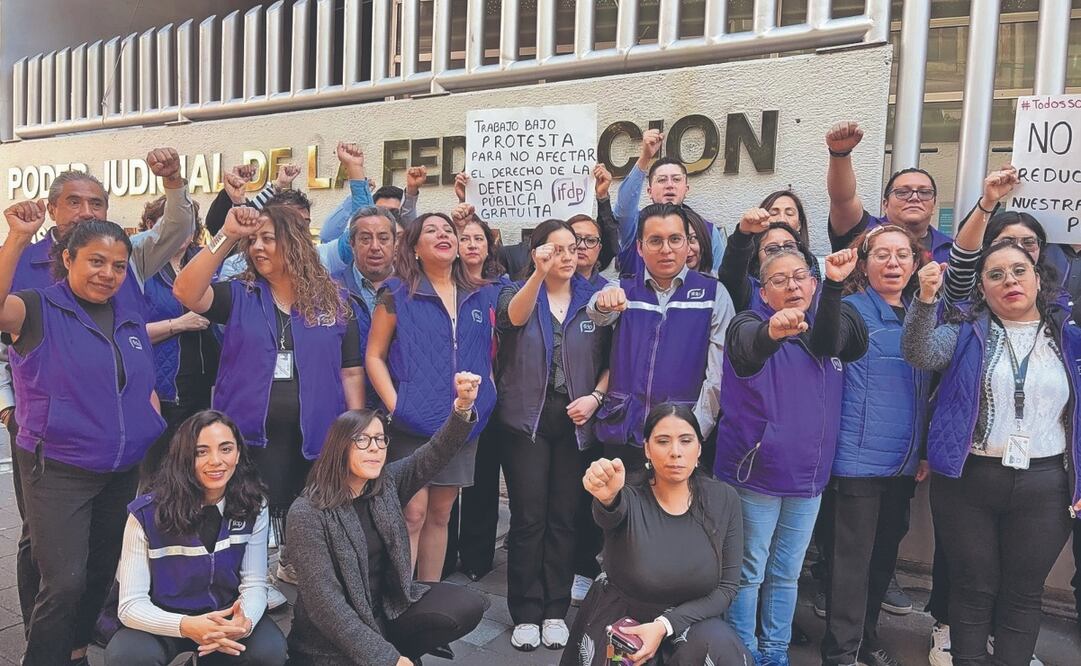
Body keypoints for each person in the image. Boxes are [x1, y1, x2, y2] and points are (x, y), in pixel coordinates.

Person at [0, 205, 167, 666]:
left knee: (97, 573)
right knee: (64, 582)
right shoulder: (37, 307)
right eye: (96, 261)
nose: (108, 274)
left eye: (117, 266)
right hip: (59, 469)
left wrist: (147, 427)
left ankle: (74, 654)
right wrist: (16, 238)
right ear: (68, 259)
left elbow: (138, 384)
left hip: (119, 469)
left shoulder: (128, 316)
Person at [902, 240, 1081, 666]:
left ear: (1039, 279)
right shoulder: (966, 333)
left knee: (1023, 594)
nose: (1010, 281)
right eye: (996, 275)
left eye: (1019, 271)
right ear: (982, 289)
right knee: (973, 588)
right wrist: (926, 301)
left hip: (1046, 485)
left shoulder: (1070, 339)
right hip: (970, 481)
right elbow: (919, 352)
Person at [173, 205, 364, 600]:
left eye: (267, 239)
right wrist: (226, 235)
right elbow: (186, 292)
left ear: (293, 243)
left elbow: (350, 370)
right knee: (246, 507)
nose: (256, 247)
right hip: (248, 434)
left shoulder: (334, 300)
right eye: (252, 240)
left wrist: (355, 429)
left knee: (306, 506)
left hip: (316, 431)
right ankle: (245, 582)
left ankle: (295, 568)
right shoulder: (240, 295)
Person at [713, 247, 868, 665]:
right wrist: (773, 333)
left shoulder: (829, 329)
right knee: (748, 573)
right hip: (756, 476)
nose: (792, 285)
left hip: (809, 481)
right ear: (764, 293)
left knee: (785, 574)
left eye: (800, 276)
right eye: (779, 280)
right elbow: (748, 345)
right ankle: (741, 651)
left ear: (814, 286)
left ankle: (775, 652)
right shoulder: (749, 322)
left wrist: (836, 285)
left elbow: (828, 341)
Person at [287, 372, 486, 666]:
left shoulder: (385, 485)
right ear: (340, 447)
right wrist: (387, 659)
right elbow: (326, 607)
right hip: (327, 643)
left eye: (380, 440)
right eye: (363, 440)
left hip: (386, 611)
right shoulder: (307, 513)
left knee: (467, 605)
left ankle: (401, 648)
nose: (375, 449)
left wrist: (462, 408)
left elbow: (433, 454)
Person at [496, 219, 612, 651]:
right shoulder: (517, 289)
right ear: (536, 251)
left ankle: (554, 610)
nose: (567, 255)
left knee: (565, 517)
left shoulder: (594, 300)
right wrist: (539, 275)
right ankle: (526, 610)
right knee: (529, 518)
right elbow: (513, 318)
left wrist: (597, 398)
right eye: (556, 248)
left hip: (576, 422)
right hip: (526, 420)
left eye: (573, 248)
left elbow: (614, 358)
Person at [819, 225, 932, 666]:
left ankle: (865, 638)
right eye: (881, 255)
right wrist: (829, 288)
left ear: (915, 263)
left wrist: (922, 451)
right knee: (850, 565)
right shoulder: (851, 311)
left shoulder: (923, 313)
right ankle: (841, 652)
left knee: (883, 561)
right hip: (858, 461)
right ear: (864, 264)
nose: (893, 263)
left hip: (903, 464)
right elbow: (827, 342)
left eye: (902, 255)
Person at [365, 212, 499, 582]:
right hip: (412, 423)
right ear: (415, 247)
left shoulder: (480, 293)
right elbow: (374, 356)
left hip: (461, 423)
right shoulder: (395, 292)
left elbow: (488, 354)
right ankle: (400, 601)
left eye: (448, 231)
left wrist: (486, 398)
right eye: (431, 230)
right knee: (412, 514)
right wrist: (398, 405)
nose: (443, 235)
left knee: (441, 514)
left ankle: (429, 599)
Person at [562, 402, 750, 665]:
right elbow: (610, 512)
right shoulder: (627, 494)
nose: (675, 452)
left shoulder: (723, 499)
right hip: (625, 624)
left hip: (690, 623)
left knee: (722, 647)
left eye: (686, 441)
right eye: (663, 441)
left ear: (699, 449)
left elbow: (727, 588)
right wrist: (606, 497)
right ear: (647, 449)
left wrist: (664, 625)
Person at [104, 410, 287, 665]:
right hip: (162, 619)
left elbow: (254, 583)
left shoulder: (254, 505)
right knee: (127, 655)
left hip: (223, 615)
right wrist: (187, 626)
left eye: (226, 449)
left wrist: (243, 623)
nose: (216, 461)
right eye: (201, 452)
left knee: (269, 651)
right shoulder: (145, 514)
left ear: (238, 455)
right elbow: (130, 605)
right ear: (183, 458)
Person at [587, 203, 735, 470]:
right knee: (621, 509)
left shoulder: (713, 294)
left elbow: (719, 375)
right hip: (624, 431)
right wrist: (602, 302)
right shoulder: (622, 289)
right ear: (640, 248)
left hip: (681, 436)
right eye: (655, 241)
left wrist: (694, 431)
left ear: (689, 245)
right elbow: (597, 312)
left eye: (675, 239)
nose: (666, 249)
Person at [139, 197, 221, 471]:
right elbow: (128, 334)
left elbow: (230, 232)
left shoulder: (203, 260)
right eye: (173, 224)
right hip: (164, 390)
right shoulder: (141, 269)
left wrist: (275, 187)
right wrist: (178, 323)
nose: (182, 235)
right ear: (151, 225)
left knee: (199, 468)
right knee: (162, 470)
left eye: (188, 226)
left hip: (206, 384)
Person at [825, 121, 952, 263]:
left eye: (925, 192)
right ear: (885, 204)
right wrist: (840, 154)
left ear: (934, 205)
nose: (915, 197)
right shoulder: (865, 231)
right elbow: (843, 200)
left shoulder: (950, 249)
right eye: (903, 192)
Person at [613, 129, 727, 275]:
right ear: (649, 191)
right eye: (661, 180)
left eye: (676, 179)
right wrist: (645, 158)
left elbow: (719, 280)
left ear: (686, 189)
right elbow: (624, 208)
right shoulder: (635, 225)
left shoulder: (707, 230)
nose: (669, 185)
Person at [719, 212, 819, 312]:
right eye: (772, 249)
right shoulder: (749, 291)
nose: (782, 252)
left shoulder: (819, 294)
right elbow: (732, 273)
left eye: (789, 246)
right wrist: (743, 234)